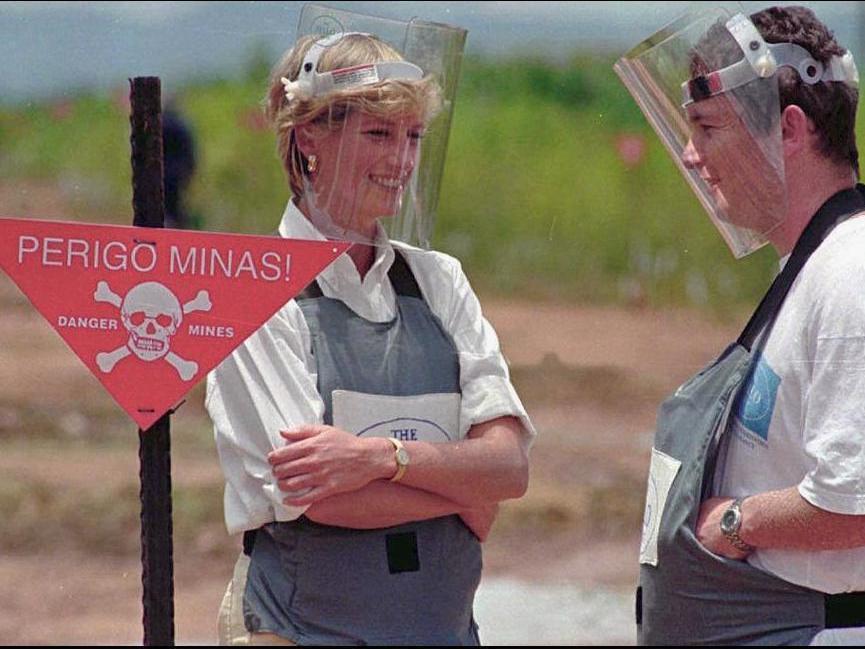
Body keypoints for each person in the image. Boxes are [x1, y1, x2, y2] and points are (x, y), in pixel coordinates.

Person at [206, 11, 533, 647]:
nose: (402, 159)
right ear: (308, 139)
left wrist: (377, 459)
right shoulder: (256, 291)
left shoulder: (439, 280)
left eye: (412, 135)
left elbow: (511, 469)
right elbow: (320, 499)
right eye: (379, 133)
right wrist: (465, 491)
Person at [616, 5, 865, 645]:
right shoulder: (818, 265)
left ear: (789, 129)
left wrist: (733, 522)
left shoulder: (851, 271)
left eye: (706, 127)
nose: (691, 157)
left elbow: (854, 503)